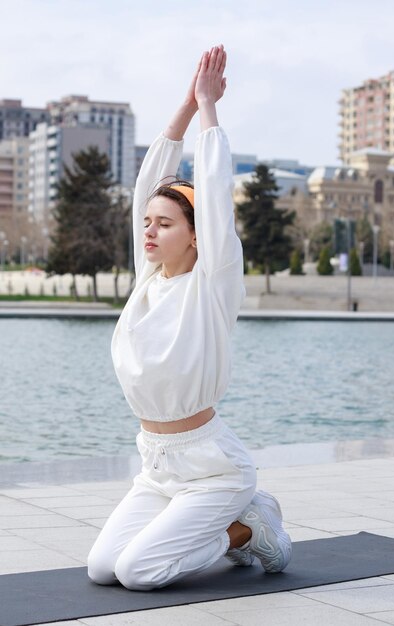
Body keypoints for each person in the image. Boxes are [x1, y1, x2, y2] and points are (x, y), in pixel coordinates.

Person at [87, 45, 292, 591]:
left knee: (139, 572)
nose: (149, 231)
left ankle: (250, 527)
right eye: (147, 223)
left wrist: (208, 109)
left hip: (213, 468)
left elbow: (217, 195)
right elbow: (145, 185)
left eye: (165, 224)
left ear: (198, 235)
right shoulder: (149, 281)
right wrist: (181, 104)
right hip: (157, 465)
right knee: (102, 569)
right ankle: (206, 523)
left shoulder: (213, 286)